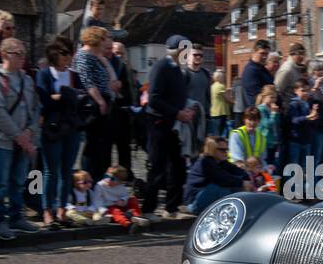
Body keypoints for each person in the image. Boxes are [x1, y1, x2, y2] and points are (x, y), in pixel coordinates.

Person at [0, 37, 41, 240]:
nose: (23, 58)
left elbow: (35, 108)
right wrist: (19, 136)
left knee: (19, 181)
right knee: (0, 183)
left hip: (24, 139)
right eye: (19, 54)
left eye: (24, 53)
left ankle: (17, 216)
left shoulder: (26, 79)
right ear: (5, 54)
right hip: (3, 140)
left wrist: (30, 132)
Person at [142, 35, 194, 217]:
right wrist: (177, 113)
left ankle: (172, 207)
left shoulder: (179, 70)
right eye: (185, 50)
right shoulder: (161, 67)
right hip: (158, 123)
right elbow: (154, 99)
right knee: (157, 166)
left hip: (174, 124)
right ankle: (148, 208)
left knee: (178, 166)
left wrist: (187, 110)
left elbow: (177, 97)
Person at [36, 40, 83, 229]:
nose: (68, 57)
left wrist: (61, 97)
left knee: (67, 170)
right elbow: (44, 100)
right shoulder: (44, 74)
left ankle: (62, 209)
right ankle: (47, 210)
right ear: (54, 55)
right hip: (52, 128)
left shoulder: (74, 76)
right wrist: (65, 97)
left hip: (71, 127)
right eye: (64, 53)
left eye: (70, 53)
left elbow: (81, 98)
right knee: (51, 170)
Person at [73, 27, 114, 182]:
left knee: (102, 144)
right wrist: (100, 101)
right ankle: (88, 177)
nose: (107, 42)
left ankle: (99, 177)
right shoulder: (83, 56)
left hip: (103, 100)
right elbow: (87, 81)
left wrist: (102, 58)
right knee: (93, 144)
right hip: (93, 103)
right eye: (104, 38)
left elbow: (110, 76)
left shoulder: (96, 56)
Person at [184, 136, 251, 214]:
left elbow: (239, 171)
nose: (226, 152)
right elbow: (222, 179)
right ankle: (230, 213)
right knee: (220, 187)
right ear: (212, 149)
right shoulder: (205, 162)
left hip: (205, 198)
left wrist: (246, 180)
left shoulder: (221, 161)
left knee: (236, 185)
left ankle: (242, 210)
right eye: (222, 150)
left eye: (227, 149)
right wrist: (242, 182)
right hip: (194, 204)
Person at [105, 38, 137, 175]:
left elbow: (132, 89)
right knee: (106, 147)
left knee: (124, 147)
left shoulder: (126, 68)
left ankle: (125, 174)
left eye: (121, 53)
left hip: (125, 112)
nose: (119, 56)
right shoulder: (107, 65)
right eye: (116, 52)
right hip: (110, 112)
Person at [288, 80, 317, 168]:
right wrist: (308, 117)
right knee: (294, 166)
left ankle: (301, 182)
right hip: (296, 140)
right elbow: (293, 120)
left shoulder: (306, 103)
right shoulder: (293, 104)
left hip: (306, 139)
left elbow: (307, 120)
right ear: (295, 91)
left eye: (307, 91)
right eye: (303, 90)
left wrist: (312, 118)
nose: (305, 93)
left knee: (304, 166)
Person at [240, 40, 273, 110]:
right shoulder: (251, 70)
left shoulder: (261, 68)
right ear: (254, 53)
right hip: (259, 114)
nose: (265, 57)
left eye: (266, 54)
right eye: (262, 53)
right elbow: (256, 97)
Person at [256, 84, 281, 171]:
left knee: (272, 165)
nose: (274, 100)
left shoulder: (271, 108)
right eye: (271, 97)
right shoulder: (261, 109)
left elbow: (277, 123)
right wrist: (274, 113)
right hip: (264, 141)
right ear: (264, 96)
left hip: (272, 141)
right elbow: (267, 124)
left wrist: (276, 113)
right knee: (265, 164)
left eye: (275, 98)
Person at [209, 70, 229, 138]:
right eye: (223, 77)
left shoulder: (212, 86)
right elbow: (227, 99)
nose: (224, 78)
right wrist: (235, 102)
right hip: (221, 112)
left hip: (213, 112)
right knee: (221, 134)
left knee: (215, 134)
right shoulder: (221, 86)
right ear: (219, 78)